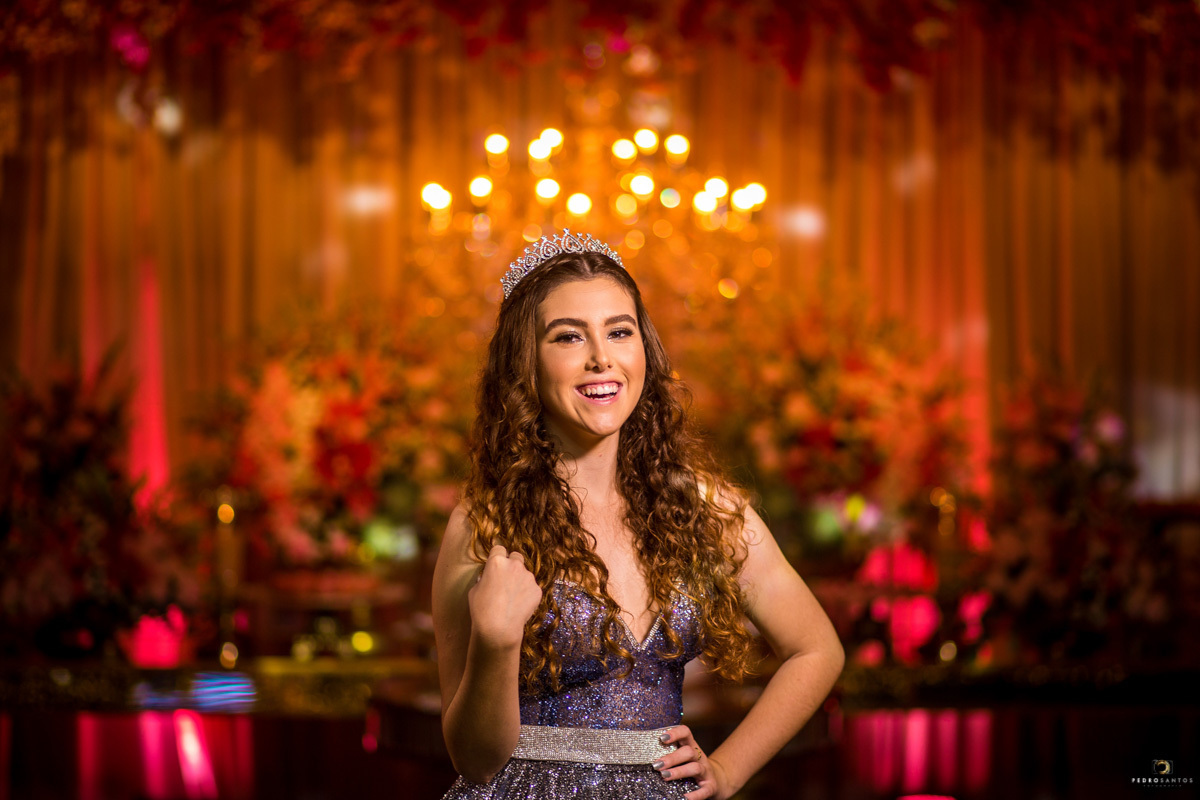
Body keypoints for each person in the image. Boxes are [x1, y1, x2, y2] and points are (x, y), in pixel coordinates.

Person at [433, 230, 844, 799]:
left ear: (643, 349)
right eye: (568, 336)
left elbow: (817, 650)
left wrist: (730, 768)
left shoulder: (705, 508)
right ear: (525, 363)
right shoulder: (486, 525)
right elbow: (475, 762)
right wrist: (497, 641)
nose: (601, 357)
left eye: (619, 331)